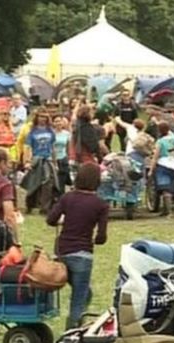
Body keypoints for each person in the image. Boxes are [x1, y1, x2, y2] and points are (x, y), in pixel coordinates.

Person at [47, 163, 109, 330]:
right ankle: (72, 329)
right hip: (82, 254)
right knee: (79, 298)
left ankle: (75, 323)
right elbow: (102, 237)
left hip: (62, 251)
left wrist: (65, 220)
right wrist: (94, 239)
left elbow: (51, 219)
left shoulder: (67, 198)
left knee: (85, 292)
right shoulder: (101, 205)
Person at [149, 121, 174, 218]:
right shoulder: (173, 139)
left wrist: (151, 169)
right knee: (170, 187)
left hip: (163, 164)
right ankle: (166, 210)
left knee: (165, 189)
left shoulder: (160, 142)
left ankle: (168, 211)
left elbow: (156, 156)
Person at [53, 115, 72, 194]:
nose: (58, 123)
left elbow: (68, 147)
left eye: (60, 121)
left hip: (63, 159)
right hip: (53, 159)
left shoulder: (67, 134)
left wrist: (69, 159)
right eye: (56, 121)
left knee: (62, 182)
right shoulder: (51, 134)